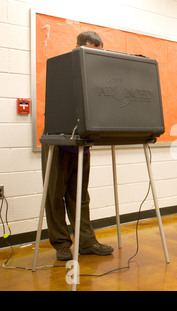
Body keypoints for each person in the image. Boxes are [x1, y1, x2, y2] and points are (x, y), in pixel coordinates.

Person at [41, 31, 114, 261]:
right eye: (91, 52)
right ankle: (61, 243)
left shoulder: (97, 77)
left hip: (82, 143)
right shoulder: (64, 70)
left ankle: (86, 241)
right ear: (78, 48)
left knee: (80, 196)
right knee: (55, 195)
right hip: (58, 141)